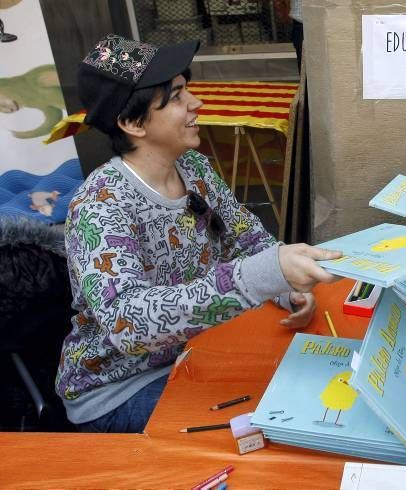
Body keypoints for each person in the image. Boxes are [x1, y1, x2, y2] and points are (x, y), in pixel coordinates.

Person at [56, 34, 341, 433]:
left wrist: (286, 288)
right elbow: (127, 323)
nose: (195, 103)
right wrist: (262, 275)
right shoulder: (100, 204)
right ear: (132, 122)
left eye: (186, 89)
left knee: (297, 397)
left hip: (189, 356)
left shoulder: (194, 168)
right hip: (118, 390)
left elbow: (250, 243)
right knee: (266, 429)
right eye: (175, 97)